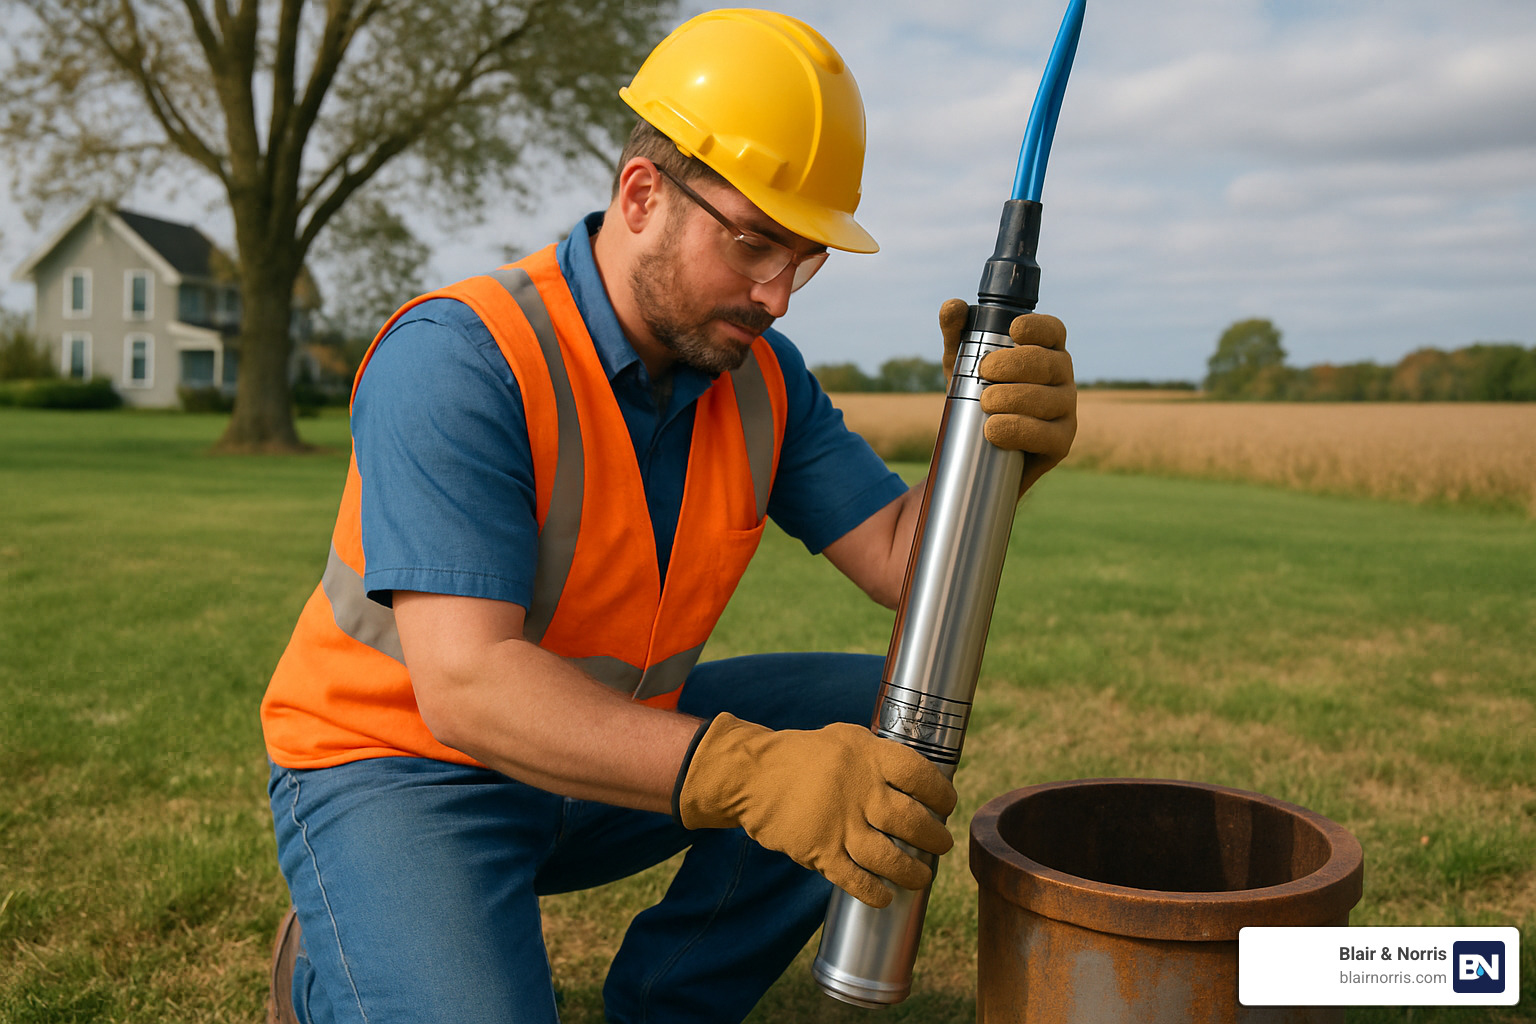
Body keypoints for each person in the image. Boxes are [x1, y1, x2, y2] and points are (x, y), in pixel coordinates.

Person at [259, 9, 1076, 1023]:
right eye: (754, 243)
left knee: (883, 714)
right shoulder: (461, 356)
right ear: (643, 195)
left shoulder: (763, 379)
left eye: (806, 258)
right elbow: (466, 687)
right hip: (401, 771)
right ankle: (331, 953)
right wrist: (749, 770)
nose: (779, 294)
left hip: (603, 756)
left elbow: (906, 571)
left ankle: (669, 1004)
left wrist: (990, 457)